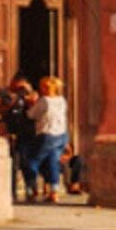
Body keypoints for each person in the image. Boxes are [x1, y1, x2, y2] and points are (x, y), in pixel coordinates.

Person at [35, 76, 70, 204]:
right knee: (52, 161)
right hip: (61, 135)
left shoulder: (44, 100)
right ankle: (53, 190)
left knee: (33, 161)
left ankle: (35, 187)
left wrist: (31, 102)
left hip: (47, 135)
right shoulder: (62, 100)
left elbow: (31, 114)